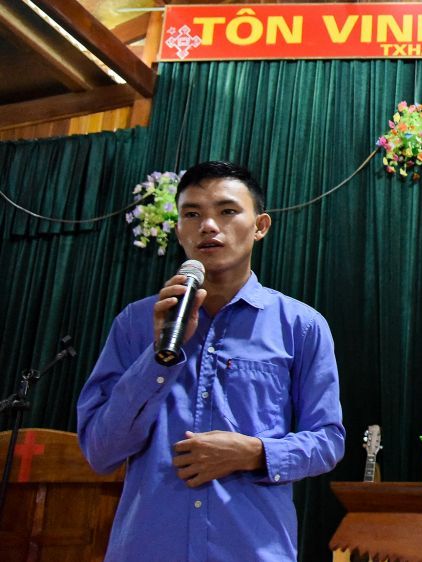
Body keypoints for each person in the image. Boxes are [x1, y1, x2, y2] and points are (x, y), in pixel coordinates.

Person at [77, 161, 345, 561]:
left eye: (227, 211)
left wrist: (255, 452)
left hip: (251, 550)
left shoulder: (301, 326)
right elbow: (100, 451)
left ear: (260, 226)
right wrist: (158, 357)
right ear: (178, 230)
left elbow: (328, 441)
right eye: (191, 214)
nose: (207, 225)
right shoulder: (135, 323)